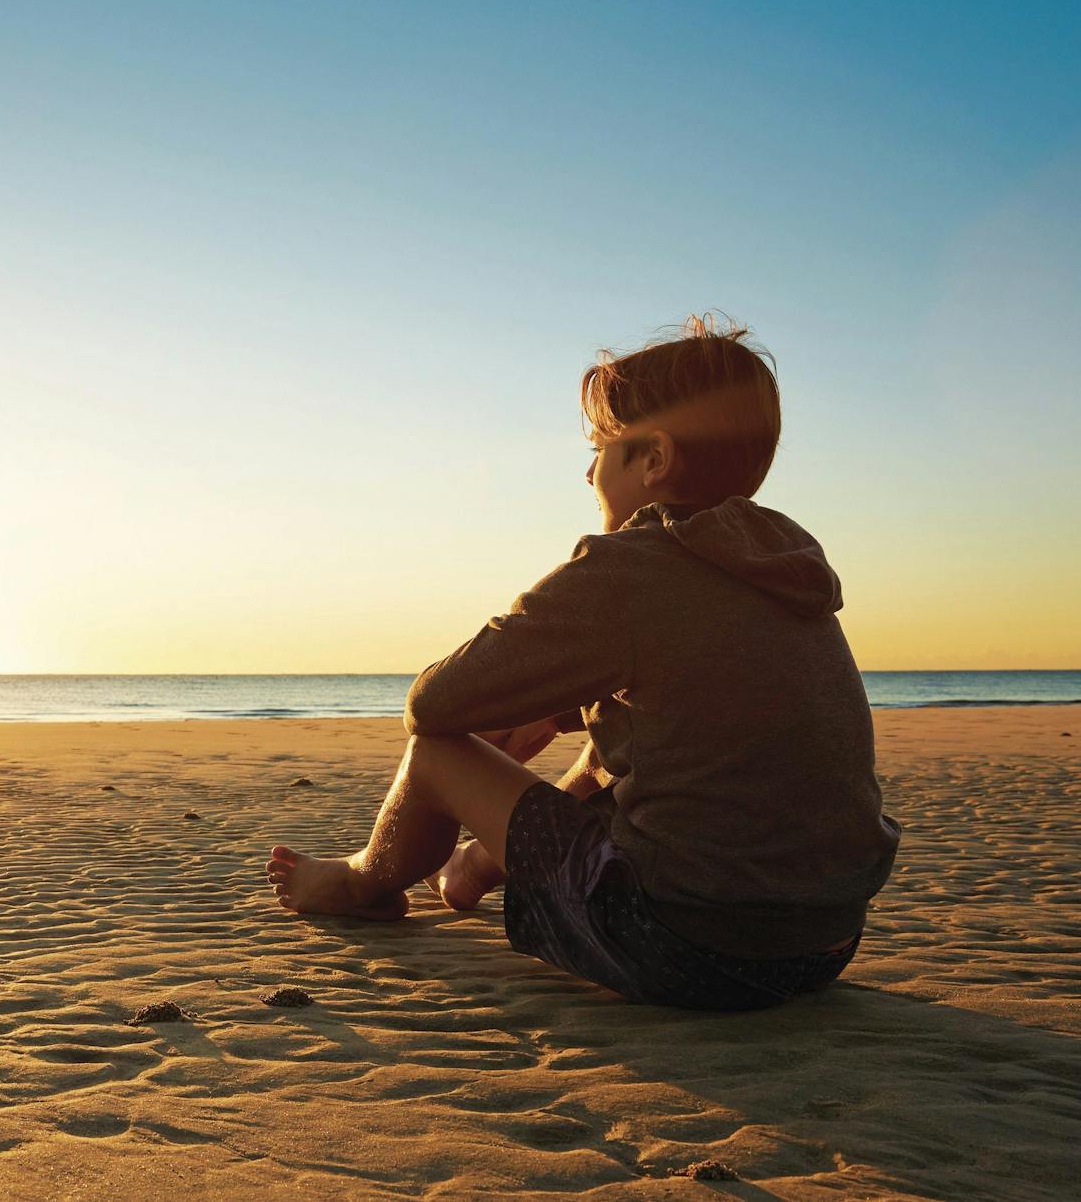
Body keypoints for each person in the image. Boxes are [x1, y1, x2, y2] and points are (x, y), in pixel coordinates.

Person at [267, 313, 901, 1011]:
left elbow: (436, 703)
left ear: (653, 458)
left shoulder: (631, 568)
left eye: (601, 447)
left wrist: (532, 702)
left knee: (436, 753)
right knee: (625, 734)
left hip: (687, 947)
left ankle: (360, 884)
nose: (589, 469)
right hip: (823, 946)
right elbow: (701, 707)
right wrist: (571, 705)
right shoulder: (782, 562)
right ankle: (474, 866)